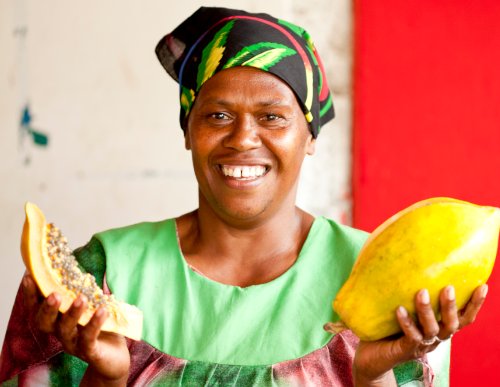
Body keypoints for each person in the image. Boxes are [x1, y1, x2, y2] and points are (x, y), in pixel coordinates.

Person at [0, 6, 487, 386]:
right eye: (217, 115)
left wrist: (374, 376)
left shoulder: (391, 280)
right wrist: (108, 379)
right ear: (187, 129)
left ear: (310, 135)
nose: (243, 139)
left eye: (273, 116)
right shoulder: (100, 273)